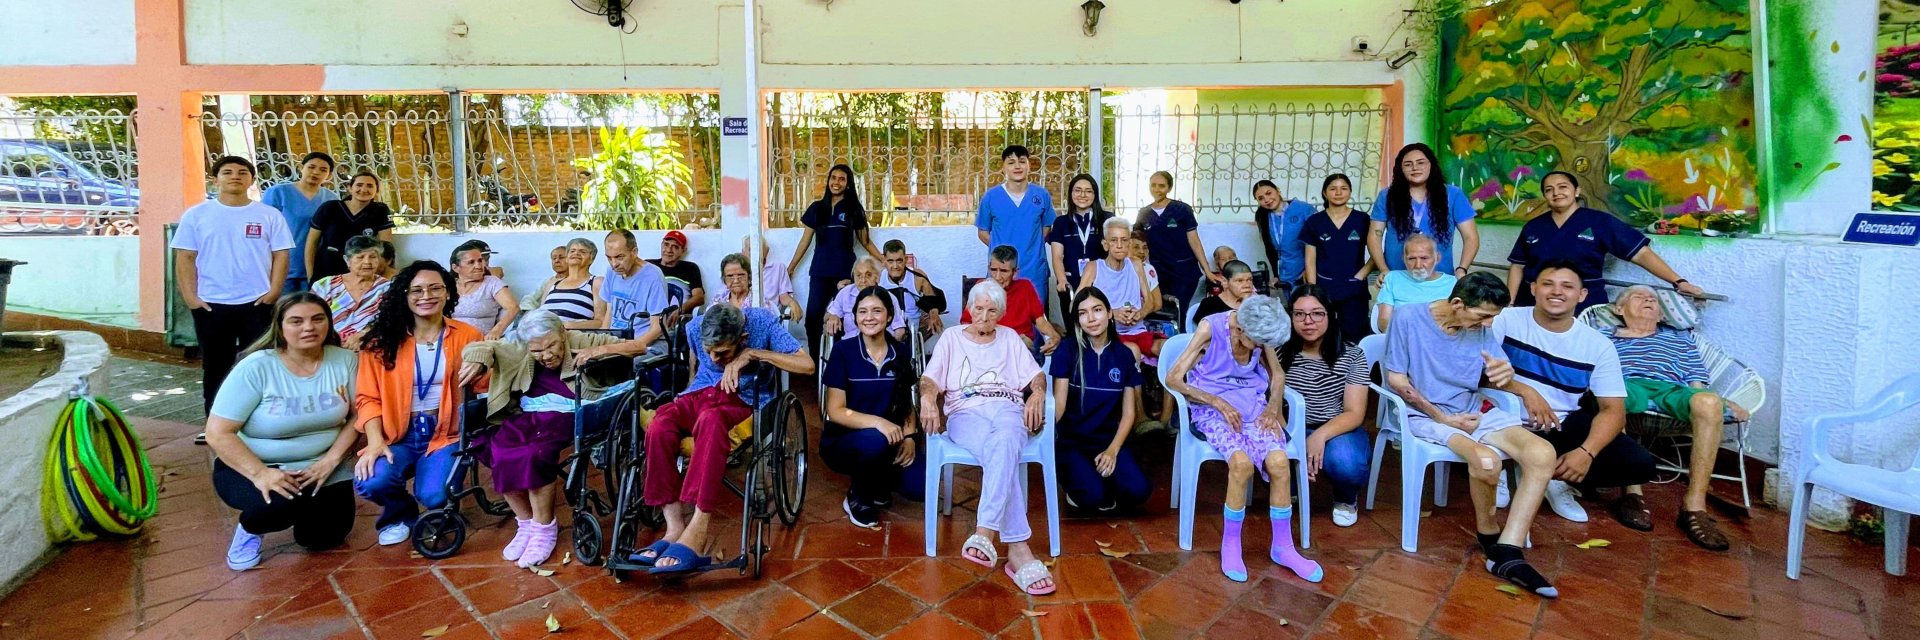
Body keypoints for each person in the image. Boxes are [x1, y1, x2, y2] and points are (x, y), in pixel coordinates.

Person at [1381, 271, 1558, 598]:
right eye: (1484, 316)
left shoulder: (1478, 327)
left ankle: (1508, 549)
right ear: (1458, 304)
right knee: (1487, 462)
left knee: (1542, 454)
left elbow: (1494, 375)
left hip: (1472, 408)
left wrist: (1514, 381)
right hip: (1423, 414)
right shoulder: (1408, 318)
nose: (1489, 324)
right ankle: (1490, 537)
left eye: (1494, 317)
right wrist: (1443, 418)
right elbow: (1397, 381)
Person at [636, 304, 814, 573]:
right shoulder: (695, 327)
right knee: (659, 425)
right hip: (700, 394)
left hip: (742, 398)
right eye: (710, 351)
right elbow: (698, 370)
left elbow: (807, 365)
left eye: (722, 353)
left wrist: (753, 355)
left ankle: (699, 527)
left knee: (711, 420)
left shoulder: (761, 323)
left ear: (742, 338)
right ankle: (673, 528)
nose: (714, 358)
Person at [1164, 294, 1321, 585]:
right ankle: (1231, 545)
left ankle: (1283, 547)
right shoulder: (1211, 328)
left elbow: (1277, 376)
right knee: (1241, 464)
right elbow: (1173, 378)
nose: (1260, 348)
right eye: (1257, 342)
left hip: (1252, 404)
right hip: (1212, 408)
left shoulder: (1260, 332)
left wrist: (1273, 407)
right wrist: (1217, 403)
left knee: (1279, 462)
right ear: (1240, 330)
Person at [456, 310, 633, 567]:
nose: (546, 356)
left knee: (534, 454)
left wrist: (597, 352)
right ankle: (526, 524)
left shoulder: (578, 339)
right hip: (529, 413)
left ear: (562, 332)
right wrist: (477, 360)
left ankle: (544, 528)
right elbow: (484, 346)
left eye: (551, 346)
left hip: (568, 412)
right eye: (537, 351)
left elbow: (636, 348)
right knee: (496, 449)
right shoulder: (521, 347)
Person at [1491, 261, 1656, 531]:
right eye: (1548, 284)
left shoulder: (1597, 345)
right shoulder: (1505, 321)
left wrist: (1585, 453)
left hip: (1557, 425)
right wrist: (1524, 390)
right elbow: (1474, 372)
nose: (1557, 292)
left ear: (1581, 296)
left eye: (1567, 286)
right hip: (1500, 419)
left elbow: (1613, 410)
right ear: (1533, 289)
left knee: (1639, 464)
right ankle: (1506, 464)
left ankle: (1550, 474)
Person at [920, 279, 1056, 595]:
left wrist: (1037, 393)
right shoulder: (952, 337)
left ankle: (984, 532)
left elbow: (1036, 375)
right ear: (969, 309)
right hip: (965, 413)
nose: (983, 316)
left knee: (1006, 438)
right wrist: (928, 399)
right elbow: (929, 379)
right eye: (978, 308)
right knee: (1001, 450)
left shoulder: (1009, 338)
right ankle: (1019, 548)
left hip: (1007, 408)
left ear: (1000, 314)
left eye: (991, 310)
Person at [206, 293, 359, 571]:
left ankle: (305, 507)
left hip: (322, 468)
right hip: (258, 465)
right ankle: (249, 530)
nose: (308, 328)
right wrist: (261, 473)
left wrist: (331, 461)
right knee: (276, 507)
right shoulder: (256, 367)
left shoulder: (345, 360)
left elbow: (358, 416)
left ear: (329, 322)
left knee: (322, 537)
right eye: (296, 321)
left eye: (317, 319)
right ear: (280, 327)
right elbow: (218, 433)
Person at [352, 260, 486, 546]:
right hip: (397, 434)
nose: (426, 296)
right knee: (371, 480)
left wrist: (488, 362)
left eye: (435, 288)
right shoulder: (381, 341)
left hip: (446, 432)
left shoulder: (468, 336)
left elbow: (484, 387)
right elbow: (367, 398)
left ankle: (439, 496)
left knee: (435, 496)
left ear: (448, 293)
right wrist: (375, 442)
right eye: (417, 290)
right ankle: (399, 514)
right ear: (404, 295)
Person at [1603, 285, 1744, 550]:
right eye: (1638, 296)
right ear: (1619, 310)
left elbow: (1696, 382)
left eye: (1653, 300)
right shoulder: (1603, 336)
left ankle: (1694, 507)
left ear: (1662, 315)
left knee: (1708, 401)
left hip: (1672, 389)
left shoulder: (1681, 340)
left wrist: (1719, 403)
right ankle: (1631, 493)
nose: (1648, 299)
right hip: (1626, 384)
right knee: (1612, 394)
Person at [173, 156, 292, 413]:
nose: (235, 176)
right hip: (210, 303)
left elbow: (281, 255)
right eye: (227, 172)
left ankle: (260, 419)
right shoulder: (196, 215)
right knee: (216, 364)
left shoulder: (268, 215)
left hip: (258, 302)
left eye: (242, 172)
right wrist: (191, 298)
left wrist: (273, 292)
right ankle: (215, 420)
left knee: (260, 362)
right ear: (215, 180)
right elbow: (185, 257)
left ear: (252, 179)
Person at [1507, 171, 1706, 311]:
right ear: (1545, 196)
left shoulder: (1600, 222)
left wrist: (1678, 281)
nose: (1556, 193)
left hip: (1583, 305)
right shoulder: (1533, 227)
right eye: (1549, 190)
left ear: (1577, 191)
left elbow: (1641, 253)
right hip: (1534, 302)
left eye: (1562, 187)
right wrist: (1509, 303)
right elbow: (1517, 266)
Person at [821, 286, 926, 528]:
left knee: (919, 487)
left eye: (877, 311)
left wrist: (910, 437)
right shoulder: (843, 351)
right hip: (845, 440)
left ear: (889, 316)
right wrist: (878, 422)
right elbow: (836, 410)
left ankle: (878, 481)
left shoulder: (900, 352)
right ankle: (858, 496)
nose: (869, 317)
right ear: (855, 317)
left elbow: (906, 401)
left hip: (892, 437)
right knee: (874, 440)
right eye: (862, 311)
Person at [1277, 285, 1371, 527]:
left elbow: (1355, 412)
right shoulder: (1276, 352)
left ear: (1331, 315)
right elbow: (1269, 402)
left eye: (1317, 313)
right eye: (1299, 314)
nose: (1308, 321)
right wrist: (1293, 439)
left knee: (1347, 463)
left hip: (1336, 427)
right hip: (1286, 425)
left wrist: (1318, 436)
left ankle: (1345, 498)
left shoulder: (1352, 355)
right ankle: (1292, 483)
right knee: (1272, 455)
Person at [1051, 288, 1150, 514]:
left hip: (1107, 440)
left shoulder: (1124, 355)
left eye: (1097, 310)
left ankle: (1100, 475)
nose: (1092, 318)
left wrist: (1113, 451)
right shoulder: (1067, 350)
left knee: (1139, 491)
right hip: (1073, 442)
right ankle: (1078, 479)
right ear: (1077, 320)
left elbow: (1129, 414)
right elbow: (1059, 406)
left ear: (1109, 313)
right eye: (1083, 313)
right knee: (1094, 497)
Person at [790, 164, 882, 349]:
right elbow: (804, 241)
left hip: (845, 273)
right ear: (828, 181)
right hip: (820, 273)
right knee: (813, 319)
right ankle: (815, 367)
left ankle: (842, 363)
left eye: (841, 179)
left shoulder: (854, 209)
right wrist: (791, 267)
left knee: (843, 319)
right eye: (833, 178)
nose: (836, 182)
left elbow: (865, 241)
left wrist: (882, 259)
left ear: (847, 184)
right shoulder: (817, 208)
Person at [1369, 143, 1480, 277]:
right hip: (1397, 277)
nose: (1415, 168)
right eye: (1408, 164)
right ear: (1400, 169)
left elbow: (1470, 237)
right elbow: (1375, 235)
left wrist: (1462, 268)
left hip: (1440, 278)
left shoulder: (1453, 195)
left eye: (1421, 163)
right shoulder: (1387, 196)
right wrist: (1383, 269)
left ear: (1431, 165)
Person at [975, 145, 1056, 295]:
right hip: (1002, 272)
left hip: (1034, 271)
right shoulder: (991, 197)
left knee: (1034, 316)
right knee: (1000, 314)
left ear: (1029, 165)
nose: (1017, 166)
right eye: (1011, 162)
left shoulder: (1041, 195)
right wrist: (1002, 250)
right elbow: (983, 232)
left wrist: (1030, 248)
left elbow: (1046, 229)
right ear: (1003, 167)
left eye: (1022, 161)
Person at [1301, 174, 1373, 340]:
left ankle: (1355, 366)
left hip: (1354, 289)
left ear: (1350, 192)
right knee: (1325, 337)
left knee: (1355, 336)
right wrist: (1312, 291)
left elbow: (1376, 252)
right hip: (1325, 288)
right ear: (1325, 193)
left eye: (1344, 188)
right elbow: (1310, 259)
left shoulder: (1362, 219)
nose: (1338, 193)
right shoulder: (1315, 222)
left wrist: (1361, 275)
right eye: (1333, 189)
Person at [1137, 170, 1216, 316]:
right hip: (1158, 271)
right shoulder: (1144, 213)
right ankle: (1166, 338)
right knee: (1162, 310)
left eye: (1161, 186)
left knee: (1181, 310)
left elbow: (1194, 241)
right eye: (1153, 185)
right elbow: (1136, 241)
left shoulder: (1182, 209)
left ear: (1169, 188)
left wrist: (1207, 270)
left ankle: (1182, 338)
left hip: (1183, 270)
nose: (1157, 189)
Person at [1078, 217, 1158, 359]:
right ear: (1105, 244)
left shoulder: (1136, 265)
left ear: (1129, 243)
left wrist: (1140, 313)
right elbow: (1076, 304)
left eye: (1124, 240)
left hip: (1138, 331)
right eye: (1114, 240)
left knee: (1169, 348)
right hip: (1108, 334)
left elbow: (1150, 301)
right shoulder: (1094, 268)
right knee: (1132, 351)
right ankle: (1138, 380)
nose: (1119, 245)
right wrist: (1111, 314)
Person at [960, 246, 1062, 355]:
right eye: (993, 270)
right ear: (988, 268)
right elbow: (965, 324)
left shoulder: (1025, 287)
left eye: (1004, 271)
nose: (997, 277)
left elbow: (1040, 321)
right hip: (988, 343)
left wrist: (1054, 336)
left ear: (1015, 272)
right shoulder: (981, 288)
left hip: (1020, 345)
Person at [261, 152, 339, 294]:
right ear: (301, 168)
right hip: (283, 266)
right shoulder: (278, 193)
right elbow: (264, 230)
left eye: (323, 170)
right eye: (311, 167)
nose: (316, 172)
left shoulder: (331, 198)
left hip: (316, 267)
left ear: (329, 176)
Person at [304, 170, 394, 281]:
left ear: (377, 191)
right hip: (327, 269)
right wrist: (310, 275)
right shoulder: (330, 208)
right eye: (359, 185)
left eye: (370, 186)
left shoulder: (380, 210)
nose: (364, 190)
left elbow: (385, 244)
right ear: (350, 188)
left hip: (360, 270)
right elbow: (311, 243)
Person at [309, 235, 393, 350]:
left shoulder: (388, 288)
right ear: (347, 260)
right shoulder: (325, 285)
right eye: (360, 257)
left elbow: (391, 320)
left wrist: (366, 333)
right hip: (327, 346)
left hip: (371, 348)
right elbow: (311, 317)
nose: (367, 262)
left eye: (373, 257)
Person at [1048, 173, 1114, 318]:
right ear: (1070, 193)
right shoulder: (1061, 223)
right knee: (1074, 328)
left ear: (1095, 194)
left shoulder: (1107, 219)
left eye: (1088, 191)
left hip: (1102, 282)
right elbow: (1057, 256)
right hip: (1071, 283)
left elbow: (1115, 250)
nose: (1082, 195)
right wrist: (1062, 280)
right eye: (1077, 190)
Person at [597, 229, 671, 346]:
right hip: (615, 341)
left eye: (620, 257)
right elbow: (609, 313)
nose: (614, 264)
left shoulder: (652, 276)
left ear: (634, 252)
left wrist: (630, 347)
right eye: (609, 258)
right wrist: (601, 342)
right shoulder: (611, 271)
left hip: (645, 344)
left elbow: (657, 328)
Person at [1371, 234, 1456, 333]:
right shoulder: (1392, 279)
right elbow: (1383, 323)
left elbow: (1457, 325)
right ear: (1403, 259)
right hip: (1402, 340)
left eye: (1424, 258)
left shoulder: (1453, 283)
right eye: (1411, 259)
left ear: (1437, 258)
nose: (1418, 265)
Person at [1253, 179, 1319, 296]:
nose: (1266, 200)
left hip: (1308, 273)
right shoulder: (1264, 217)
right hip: (1287, 275)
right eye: (1261, 198)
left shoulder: (1303, 209)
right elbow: (1270, 249)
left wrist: (1310, 270)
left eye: (1269, 193)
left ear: (1278, 190)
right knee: (1293, 310)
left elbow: (1320, 242)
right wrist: (1277, 276)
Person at [449, 240, 519, 341]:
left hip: (479, 341)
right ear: (456, 268)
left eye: (481, 260)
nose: (479, 265)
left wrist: (496, 331)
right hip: (449, 340)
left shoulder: (492, 282)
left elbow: (513, 307)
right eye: (471, 262)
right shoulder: (447, 285)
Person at [825, 258, 907, 341]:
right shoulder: (845, 293)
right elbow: (827, 316)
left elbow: (899, 329)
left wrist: (891, 347)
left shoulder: (888, 297)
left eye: (868, 275)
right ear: (853, 276)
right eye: (859, 275)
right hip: (851, 345)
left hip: (880, 345)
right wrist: (832, 316)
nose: (863, 280)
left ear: (877, 277)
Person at [878, 239, 946, 336]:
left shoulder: (917, 277)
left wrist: (933, 313)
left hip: (913, 326)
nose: (895, 266)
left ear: (906, 259)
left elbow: (933, 302)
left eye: (899, 260)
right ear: (884, 260)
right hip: (887, 327)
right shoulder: (878, 278)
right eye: (890, 261)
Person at [712, 250, 802, 322]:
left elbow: (769, 330)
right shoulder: (719, 300)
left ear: (749, 277)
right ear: (724, 279)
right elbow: (706, 325)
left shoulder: (760, 302)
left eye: (741, 275)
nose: (736, 280)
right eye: (730, 276)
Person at [537, 238, 602, 329]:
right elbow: (540, 313)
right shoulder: (552, 284)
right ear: (567, 258)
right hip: (539, 331)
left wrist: (570, 325)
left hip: (570, 335)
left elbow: (601, 322)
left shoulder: (596, 282)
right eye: (572, 251)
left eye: (582, 251)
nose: (576, 253)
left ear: (591, 259)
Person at [650, 230, 706, 322]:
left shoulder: (690, 268)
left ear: (683, 251)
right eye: (666, 244)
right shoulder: (650, 265)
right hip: (649, 316)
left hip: (676, 320)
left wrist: (680, 309)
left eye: (675, 247)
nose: (668, 250)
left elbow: (699, 297)